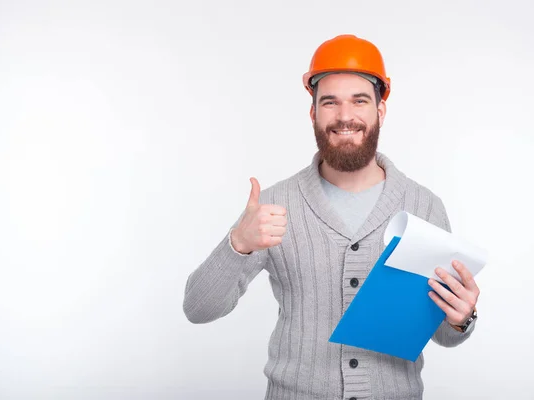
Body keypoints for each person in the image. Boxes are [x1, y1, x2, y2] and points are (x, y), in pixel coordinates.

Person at [183, 34, 480, 400]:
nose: (344, 116)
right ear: (313, 112)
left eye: (359, 101)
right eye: (329, 102)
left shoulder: (424, 206)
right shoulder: (275, 204)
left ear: (380, 111)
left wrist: (461, 317)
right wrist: (237, 245)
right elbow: (197, 309)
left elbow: (444, 335)